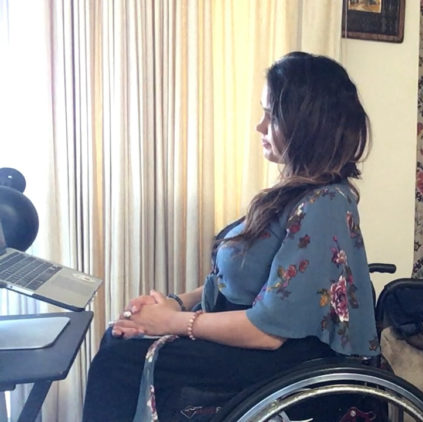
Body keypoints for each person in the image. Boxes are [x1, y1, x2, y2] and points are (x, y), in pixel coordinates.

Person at [82, 51, 379, 421]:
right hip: (257, 349)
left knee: (120, 356)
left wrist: (172, 322)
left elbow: (269, 331)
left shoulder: (325, 205)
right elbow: (235, 284)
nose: (259, 126)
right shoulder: (294, 195)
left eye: (271, 115)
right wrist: (175, 303)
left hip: (281, 362)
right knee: (122, 337)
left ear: (304, 124)